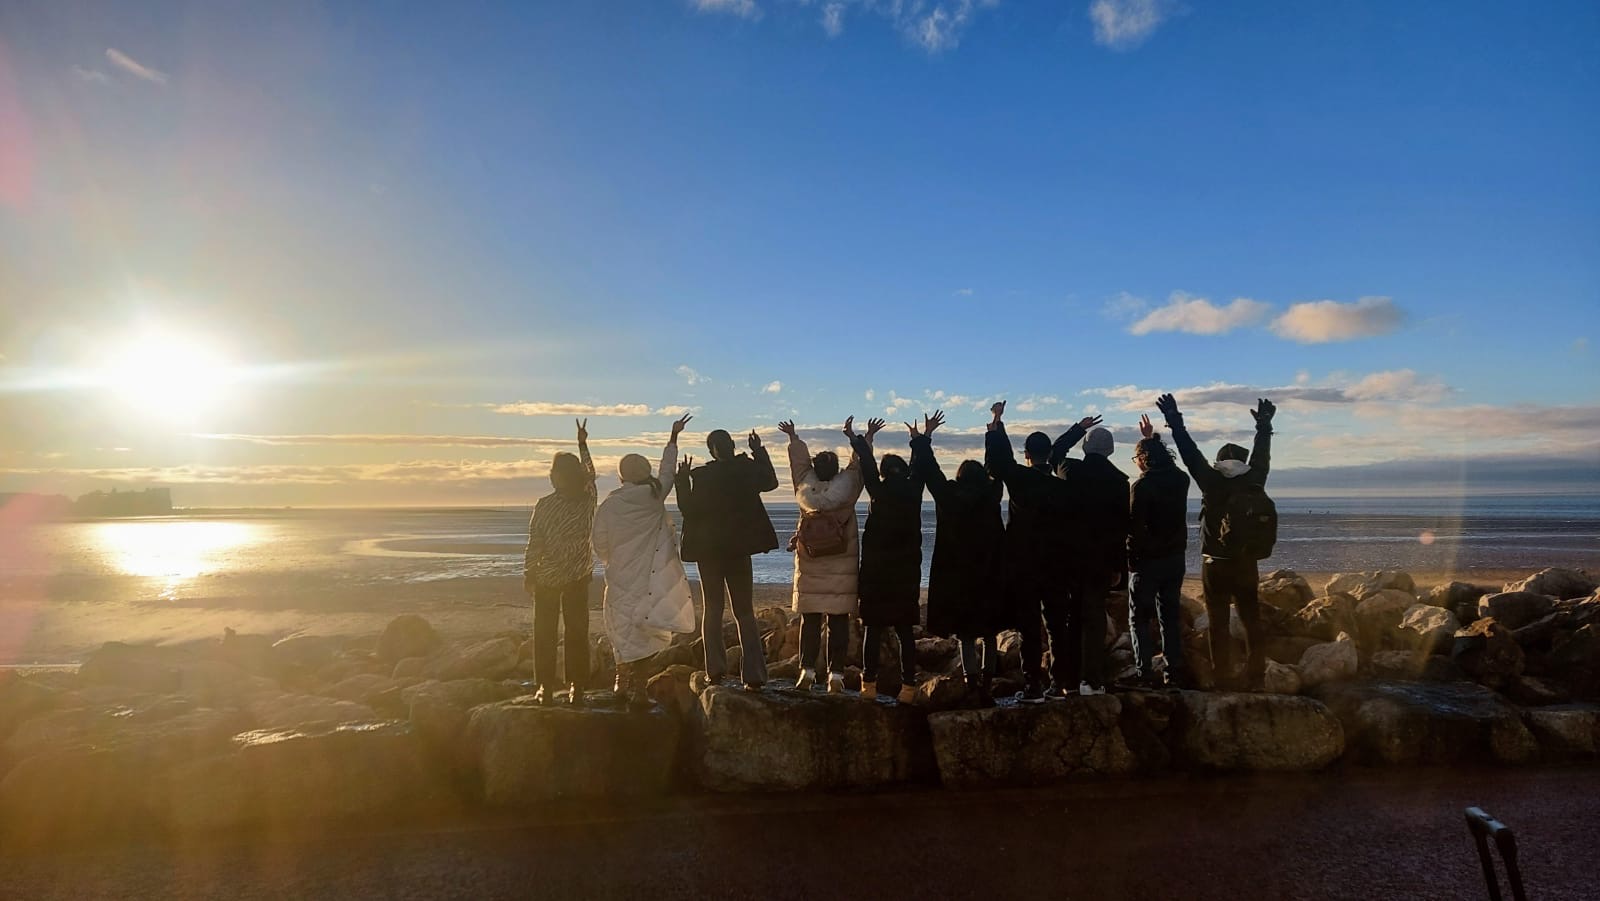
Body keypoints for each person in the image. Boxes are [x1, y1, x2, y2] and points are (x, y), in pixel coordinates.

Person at [1155, 393, 1276, 690]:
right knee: (1251, 619)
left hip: (1215, 564)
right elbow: (1263, 453)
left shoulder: (1210, 479)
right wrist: (1264, 426)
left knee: (1219, 623)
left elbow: (1188, 451)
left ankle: (1223, 677)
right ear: (1244, 460)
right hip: (1246, 562)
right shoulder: (1255, 478)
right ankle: (1256, 677)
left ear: (1221, 460)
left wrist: (1174, 419)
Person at [985, 401, 1098, 700]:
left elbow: (1000, 460)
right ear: (1048, 456)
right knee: (1056, 626)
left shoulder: (1021, 480)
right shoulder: (1062, 488)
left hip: (1024, 565)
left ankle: (1032, 684)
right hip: (1056, 566)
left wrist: (997, 424)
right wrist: (1078, 429)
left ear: (1026, 456)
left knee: (1029, 628)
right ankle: (1062, 683)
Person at [592, 414, 700, 709]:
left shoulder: (611, 504)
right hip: (649, 575)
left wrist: (610, 558)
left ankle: (620, 680)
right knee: (644, 628)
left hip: (619, 573)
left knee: (621, 627)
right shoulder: (654, 496)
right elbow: (667, 470)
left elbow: (598, 540)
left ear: (622, 475)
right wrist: (673, 437)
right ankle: (638, 687)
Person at [675, 426, 780, 690]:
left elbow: (687, 509)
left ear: (711, 450)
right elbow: (771, 482)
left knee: (713, 609)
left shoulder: (704, 476)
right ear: (733, 445)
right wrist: (758, 451)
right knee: (744, 611)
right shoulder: (745, 469)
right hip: (738, 551)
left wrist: (682, 479)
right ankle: (754, 676)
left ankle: (715, 672)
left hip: (709, 552)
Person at [911, 411, 1004, 706]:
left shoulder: (948, 494)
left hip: (957, 574)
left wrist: (924, 438)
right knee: (989, 631)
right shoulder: (991, 494)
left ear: (960, 476)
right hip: (989, 572)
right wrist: (994, 430)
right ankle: (987, 683)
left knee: (965, 633)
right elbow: (996, 467)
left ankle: (970, 680)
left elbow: (931, 470)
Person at [780, 417, 865, 694]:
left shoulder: (805, 490)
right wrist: (861, 438)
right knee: (838, 622)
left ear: (815, 469)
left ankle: (806, 670)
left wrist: (794, 437)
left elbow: (799, 466)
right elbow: (858, 465)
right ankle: (836, 676)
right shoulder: (849, 489)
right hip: (841, 567)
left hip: (811, 563)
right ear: (837, 470)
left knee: (810, 619)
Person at [850, 417, 924, 702]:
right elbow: (919, 467)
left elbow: (867, 466)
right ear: (903, 471)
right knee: (905, 632)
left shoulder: (878, 490)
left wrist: (861, 438)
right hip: (905, 573)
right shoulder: (914, 490)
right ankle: (908, 688)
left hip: (877, 573)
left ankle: (868, 685)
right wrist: (920, 438)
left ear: (884, 473)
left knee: (873, 628)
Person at [524, 418, 598, 707]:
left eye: (554, 471)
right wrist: (529, 572)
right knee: (550, 632)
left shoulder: (586, 499)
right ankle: (546, 685)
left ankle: (574, 686)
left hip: (575, 577)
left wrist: (582, 445)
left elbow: (590, 474)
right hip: (549, 578)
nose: (550, 476)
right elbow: (535, 541)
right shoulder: (547, 504)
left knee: (573, 633)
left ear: (564, 475)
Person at [1055, 425, 1131, 695]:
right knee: (1095, 618)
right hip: (1101, 559)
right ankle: (1093, 679)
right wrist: (1118, 567)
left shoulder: (1071, 470)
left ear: (1086, 447)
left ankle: (1069, 681)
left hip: (1069, 557)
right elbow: (1122, 528)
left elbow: (1055, 452)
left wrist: (1078, 429)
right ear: (1110, 450)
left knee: (1071, 619)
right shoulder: (1120, 482)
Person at [1126, 414, 1192, 689]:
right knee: (1169, 615)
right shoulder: (1181, 479)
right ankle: (1173, 671)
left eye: (1137, 459)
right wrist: (1150, 439)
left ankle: (1144, 672)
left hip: (1148, 561)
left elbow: (1134, 527)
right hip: (1175, 558)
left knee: (1139, 618)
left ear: (1143, 460)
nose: (1137, 463)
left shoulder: (1141, 486)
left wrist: (1130, 560)